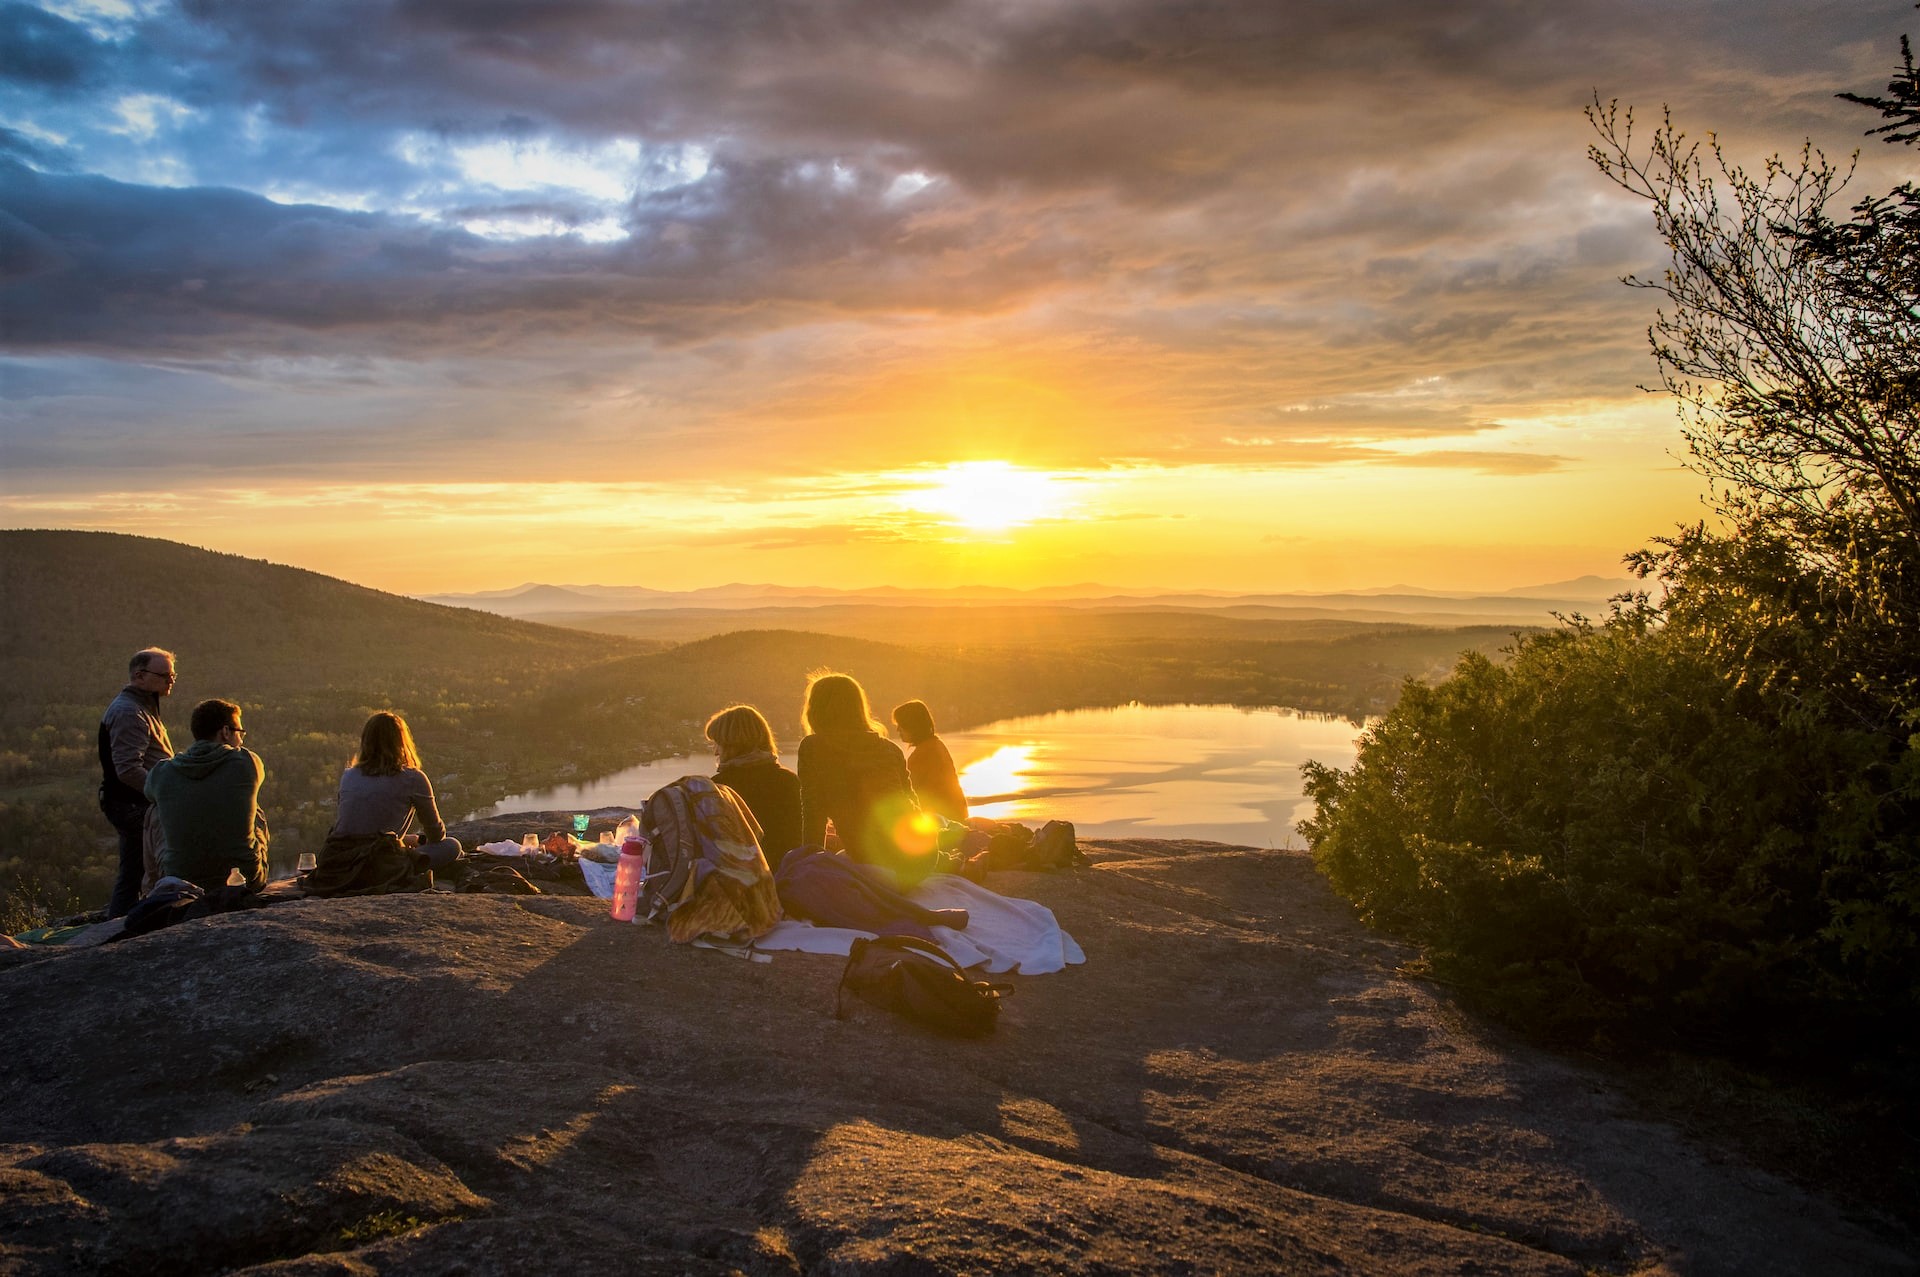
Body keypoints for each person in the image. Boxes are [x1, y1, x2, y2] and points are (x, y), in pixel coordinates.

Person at [797, 672, 934, 881]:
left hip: (876, 862)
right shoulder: (890, 748)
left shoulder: (813, 747)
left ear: (815, 709)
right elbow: (913, 804)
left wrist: (811, 868)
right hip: (923, 857)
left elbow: (813, 813)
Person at [145, 698, 269, 893]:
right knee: (254, 808)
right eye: (240, 732)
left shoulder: (162, 772)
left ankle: (154, 891)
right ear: (225, 732)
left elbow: (148, 793)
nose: (242, 739)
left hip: (181, 881)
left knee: (154, 810)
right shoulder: (247, 762)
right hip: (244, 880)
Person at [98, 647, 177, 917]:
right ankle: (127, 928)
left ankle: (120, 925)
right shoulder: (129, 712)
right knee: (146, 870)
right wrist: (163, 795)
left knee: (133, 871)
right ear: (139, 676)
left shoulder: (142, 707)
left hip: (134, 802)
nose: (171, 680)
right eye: (164, 675)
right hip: (134, 804)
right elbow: (129, 769)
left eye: (173, 675)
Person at [331, 711, 463, 869]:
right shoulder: (413, 778)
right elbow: (436, 835)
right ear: (401, 742)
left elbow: (360, 830)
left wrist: (408, 840)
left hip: (341, 863)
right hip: (381, 866)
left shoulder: (349, 775)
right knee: (452, 846)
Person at [705, 704, 802, 868]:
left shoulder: (720, 788)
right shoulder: (789, 780)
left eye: (718, 744)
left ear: (732, 744)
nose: (715, 752)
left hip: (740, 883)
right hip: (788, 878)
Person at [891, 699, 968, 823]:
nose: (898, 730)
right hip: (955, 815)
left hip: (942, 820)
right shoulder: (936, 745)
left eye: (901, 725)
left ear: (912, 725)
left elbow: (908, 791)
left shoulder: (923, 754)